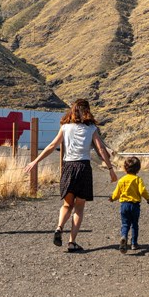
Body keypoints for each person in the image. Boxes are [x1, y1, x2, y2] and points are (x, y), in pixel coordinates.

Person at [24, 99, 117, 252]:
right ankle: (72, 242)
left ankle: (59, 227)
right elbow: (100, 149)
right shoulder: (91, 128)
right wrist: (110, 169)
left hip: (68, 167)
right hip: (83, 168)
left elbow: (52, 146)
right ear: (87, 111)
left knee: (67, 204)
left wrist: (35, 161)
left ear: (73, 110)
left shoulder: (65, 127)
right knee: (79, 208)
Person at [109, 156, 149, 253]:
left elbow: (117, 193)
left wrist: (112, 198)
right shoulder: (138, 179)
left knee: (125, 224)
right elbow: (142, 191)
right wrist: (148, 199)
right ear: (138, 169)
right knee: (134, 225)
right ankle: (134, 243)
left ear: (125, 168)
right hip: (135, 205)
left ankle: (124, 237)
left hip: (124, 205)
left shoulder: (122, 180)